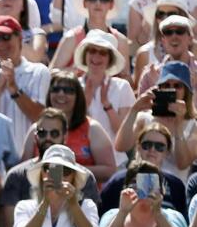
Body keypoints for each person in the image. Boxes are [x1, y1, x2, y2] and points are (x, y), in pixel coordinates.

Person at [0, 108, 100, 227]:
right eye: (42, 133)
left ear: (65, 136)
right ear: (35, 136)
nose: (48, 138)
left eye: (54, 133)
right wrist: (44, 204)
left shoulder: (84, 176)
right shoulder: (16, 175)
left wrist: (73, 203)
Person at [24, 71, 116, 184]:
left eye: (68, 90)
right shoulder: (36, 129)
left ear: (78, 96)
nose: (61, 94)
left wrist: (69, 170)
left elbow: (110, 170)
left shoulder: (92, 128)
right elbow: (25, 169)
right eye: (56, 89)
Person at [116, 60, 197, 181]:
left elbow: (183, 164)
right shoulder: (145, 118)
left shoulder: (192, 125)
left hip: (173, 189)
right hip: (140, 184)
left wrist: (179, 124)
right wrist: (134, 110)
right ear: (159, 87)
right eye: (166, 85)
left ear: (186, 91)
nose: (172, 89)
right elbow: (121, 146)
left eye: (177, 86)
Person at [0, 14, 49, 157]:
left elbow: (39, 117)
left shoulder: (38, 72)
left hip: (29, 160)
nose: (0, 44)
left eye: (6, 37)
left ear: (19, 38)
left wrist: (13, 88)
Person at [73, 29, 134, 167]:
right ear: (85, 54)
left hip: (115, 164)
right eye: (92, 51)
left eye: (102, 53)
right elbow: (69, 128)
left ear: (110, 59)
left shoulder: (122, 87)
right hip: (79, 164)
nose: (96, 56)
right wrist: (86, 103)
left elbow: (125, 137)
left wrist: (107, 105)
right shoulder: (73, 85)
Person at [100, 123, 187, 217]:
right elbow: (103, 217)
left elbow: (182, 223)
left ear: (167, 152)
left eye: (159, 147)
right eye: (147, 145)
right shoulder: (118, 181)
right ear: (138, 147)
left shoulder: (175, 185)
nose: (152, 150)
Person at [50, 0, 130, 72]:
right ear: (85, 2)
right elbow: (51, 73)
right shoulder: (71, 37)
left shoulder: (121, 40)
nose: (98, 3)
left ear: (111, 4)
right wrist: (76, 71)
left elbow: (127, 79)